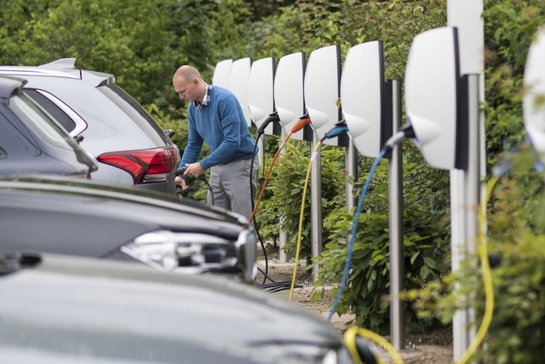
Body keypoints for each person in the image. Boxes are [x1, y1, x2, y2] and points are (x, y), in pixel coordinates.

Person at [173, 65, 258, 219]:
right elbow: (193, 145)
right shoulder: (193, 108)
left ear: (196, 82)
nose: (181, 97)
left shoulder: (224, 100)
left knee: (241, 221)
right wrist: (181, 176)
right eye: (178, 93)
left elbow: (232, 142)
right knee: (215, 219)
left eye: (183, 91)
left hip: (240, 164)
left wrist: (203, 165)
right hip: (218, 165)